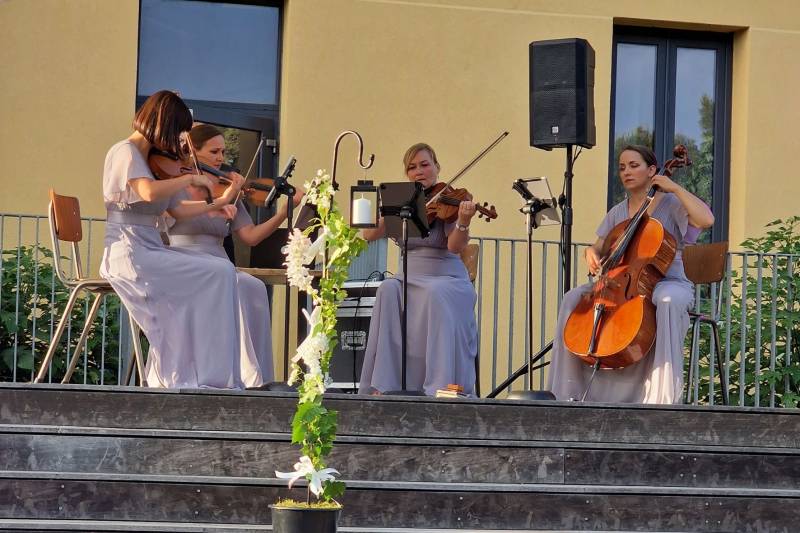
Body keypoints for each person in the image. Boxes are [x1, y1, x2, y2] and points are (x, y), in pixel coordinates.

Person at [100, 90, 246, 389]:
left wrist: (222, 201)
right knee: (217, 271)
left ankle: (200, 373)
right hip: (130, 253)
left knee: (219, 270)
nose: (180, 142)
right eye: (178, 131)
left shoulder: (148, 160)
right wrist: (190, 179)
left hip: (147, 247)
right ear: (164, 124)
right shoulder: (125, 151)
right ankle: (207, 376)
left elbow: (177, 210)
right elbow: (148, 193)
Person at [547, 145, 714, 404]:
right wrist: (590, 252)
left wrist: (676, 188)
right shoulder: (618, 211)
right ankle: (565, 392)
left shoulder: (672, 204)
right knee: (571, 299)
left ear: (652, 171)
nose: (626, 172)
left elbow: (706, 220)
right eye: (622, 167)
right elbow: (600, 246)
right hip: (622, 284)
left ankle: (663, 397)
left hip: (668, 281)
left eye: (634, 166)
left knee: (667, 300)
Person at [164, 123, 302, 387]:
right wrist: (218, 201)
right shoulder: (175, 186)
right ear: (193, 151)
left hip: (217, 259)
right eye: (214, 152)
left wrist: (283, 213)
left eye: (223, 152)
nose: (221, 159)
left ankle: (255, 376)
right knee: (236, 283)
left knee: (253, 286)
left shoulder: (226, 191)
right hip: (184, 258)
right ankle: (230, 375)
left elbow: (250, 236)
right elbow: (168, 217)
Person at [358, 143, 479, 396]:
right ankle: (386, 384)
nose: (419, 172)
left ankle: (440, 385)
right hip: (408, 276)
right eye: (412, 168)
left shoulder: (450, 200)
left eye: (425, 165)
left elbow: (455, 247)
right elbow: (367, 235)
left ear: (436, 167)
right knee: (388, 288)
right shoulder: (405, 203)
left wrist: (464, 221)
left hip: (446, 277)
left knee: (435, 292)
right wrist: (392, 212)